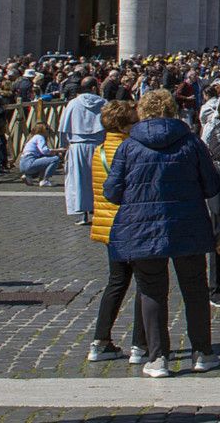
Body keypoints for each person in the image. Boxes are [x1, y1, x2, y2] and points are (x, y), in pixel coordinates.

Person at [103, 89, 220, 377]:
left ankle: (158, 358)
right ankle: (202, 353)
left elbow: (112, 191)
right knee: (194, 290)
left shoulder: (129, 147)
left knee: (152, 291)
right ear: (172, 111)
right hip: (188, 224)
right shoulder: (192, 142)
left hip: (142, 227)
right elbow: (211, 185)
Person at [85, 100, 141, 363]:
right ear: (125, 124)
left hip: (109, 226)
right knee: (145, 283)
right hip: (132, 224)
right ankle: (141, 344)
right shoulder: (131, 150)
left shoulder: (99, 151)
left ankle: (100, 340)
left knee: (116, 283)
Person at [58, 81, 109, 227]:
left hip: (77, 145)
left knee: (78, 180)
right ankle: (100, 210)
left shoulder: (73, 104)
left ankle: (82, 214)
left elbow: (63, 128)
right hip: (99, 145)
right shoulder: (104, 103)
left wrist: (63, 146)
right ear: (94, 88)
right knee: (100, 179)